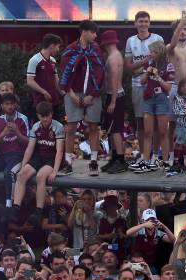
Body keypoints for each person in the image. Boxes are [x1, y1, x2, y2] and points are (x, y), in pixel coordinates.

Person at [7, 101, 64, 229]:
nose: (45, 119)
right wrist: (24, 165)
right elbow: (30, 148)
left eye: (47, 116)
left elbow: (59, 151)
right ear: (38, 115)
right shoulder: (36, 127)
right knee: (21, 175)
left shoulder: (58, 127)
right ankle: (15, 208)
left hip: (51, 158)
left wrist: (55, 171)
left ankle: (38, 211)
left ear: (51, 114)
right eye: (42, 116)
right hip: (39, 157)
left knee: (40, 177)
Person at [59, 20, 105, 177]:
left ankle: (93, 162)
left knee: (93, 127)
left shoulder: (97, 49)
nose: (95, 35)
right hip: (74, 92)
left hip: (93, 93)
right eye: (93, 32)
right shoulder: (70, 50)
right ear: (84, 32)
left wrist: (91, 94)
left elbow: (100, 74)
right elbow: (64, 73)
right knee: (71, 128)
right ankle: (68, 163)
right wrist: (71, 95)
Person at [124, 11, 164, 167]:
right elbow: (128, 67)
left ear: (149, 23)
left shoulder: (157, 39)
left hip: (155, 83)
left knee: (155, 122)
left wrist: (141, 68)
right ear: (135, 23)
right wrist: (146, 63)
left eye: (146, 21)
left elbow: (161, 63)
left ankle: (154, 154)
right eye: (140, 21)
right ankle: (143, 154)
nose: (143, 24)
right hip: (137, 84)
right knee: (141, 122)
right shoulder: (130, 41)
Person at [129, 40, 175, 173]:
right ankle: (145, 161)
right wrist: (147, 73)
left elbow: (168, 88)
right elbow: (142, 81)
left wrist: (158, 77)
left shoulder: (169, 66)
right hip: (148, 99)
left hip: (161, 99)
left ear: (159, 52)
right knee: (148, 132)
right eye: (150, 51)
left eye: (153, 51)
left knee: (162, 132)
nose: (151, 54)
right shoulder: (149, 63)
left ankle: (165, 161)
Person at [99, 30, 128, 174]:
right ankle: (115, 158)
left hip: (115, 96)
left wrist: (113, 101)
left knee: (116, 130)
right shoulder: (113, 56)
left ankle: (121, 160)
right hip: (113, 95)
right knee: (111, 130)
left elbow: (115, 79)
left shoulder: (113, 58)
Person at [26, 33, 63, 119]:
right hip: (40, 102)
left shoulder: (53, 60)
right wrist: (44, 92)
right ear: (52, 46)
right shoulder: (34, 60)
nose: (58, 50)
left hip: (54, 101)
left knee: (55, 126)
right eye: (57, 46)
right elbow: (30, 81)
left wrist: (63, 94)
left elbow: (56, 80)